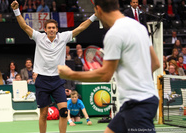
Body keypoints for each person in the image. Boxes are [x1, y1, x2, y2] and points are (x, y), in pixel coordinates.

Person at [58, 0, 160, 132]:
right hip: (141, 100)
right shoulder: (138, 27)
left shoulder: (114, 34)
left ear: (98, 10)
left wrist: (70, 74)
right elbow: (155, 63)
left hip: (137, 103)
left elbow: (105, 75)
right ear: (117, 6)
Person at [11, 1, 97, 133]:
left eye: (54, 28)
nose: (51, 29)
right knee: (44, 114)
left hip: (57, 80)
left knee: (63, 112)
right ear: (45, 29)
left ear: (57, 29)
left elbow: (80, 27)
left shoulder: (63, 37)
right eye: (49, 27)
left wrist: (94, 16)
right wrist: (17, 11)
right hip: (42, 80)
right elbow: (24, 26)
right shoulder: (38, 37)